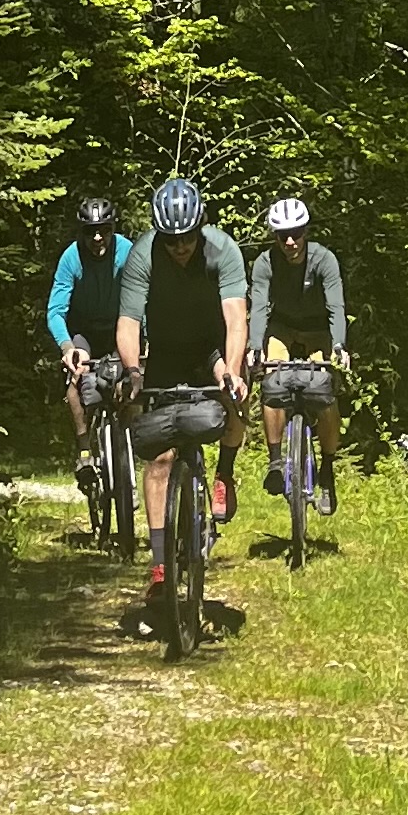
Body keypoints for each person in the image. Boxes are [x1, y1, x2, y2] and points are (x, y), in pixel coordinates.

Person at [115, 176, 249, 604]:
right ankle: (159, 566)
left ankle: (223, 472)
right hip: (166, 352)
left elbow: (235, 318)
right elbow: (129, 322)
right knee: (160, 457)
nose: (179, 247)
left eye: (186, 237)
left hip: (210, 349)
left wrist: (230, 369)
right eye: (170, 240)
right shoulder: (143, 254)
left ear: (200, 226)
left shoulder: (223, 250)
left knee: (233, 395)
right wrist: (134, 372)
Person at [248, 197, 348, 516]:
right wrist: (254, 348)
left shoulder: (324, 260)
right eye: (282, 235)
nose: (290, 241)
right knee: (272, 382)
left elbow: (336, 306)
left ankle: (328, 471)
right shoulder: (265, 263)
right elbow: (260, 307)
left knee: (325, 391)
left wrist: (339, 346)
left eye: (297, 232)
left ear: (306, 231)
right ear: (274, 236)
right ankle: (276, 461)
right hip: (283, 328)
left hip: (318, 329)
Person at [46, 196, 133, 493]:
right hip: (84, 332)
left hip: (119, 327)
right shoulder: (71, 258)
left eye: (104, 230)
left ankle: (126, 456)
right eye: (90, 231)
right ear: (81, 233)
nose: (97, 237)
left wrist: (144, 338)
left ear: (112, 229)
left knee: (134, 374)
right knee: (76, 369)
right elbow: (56, 311)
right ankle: (84, 448)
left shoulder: (127, 252)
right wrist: (67, 347)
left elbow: (142, 299)